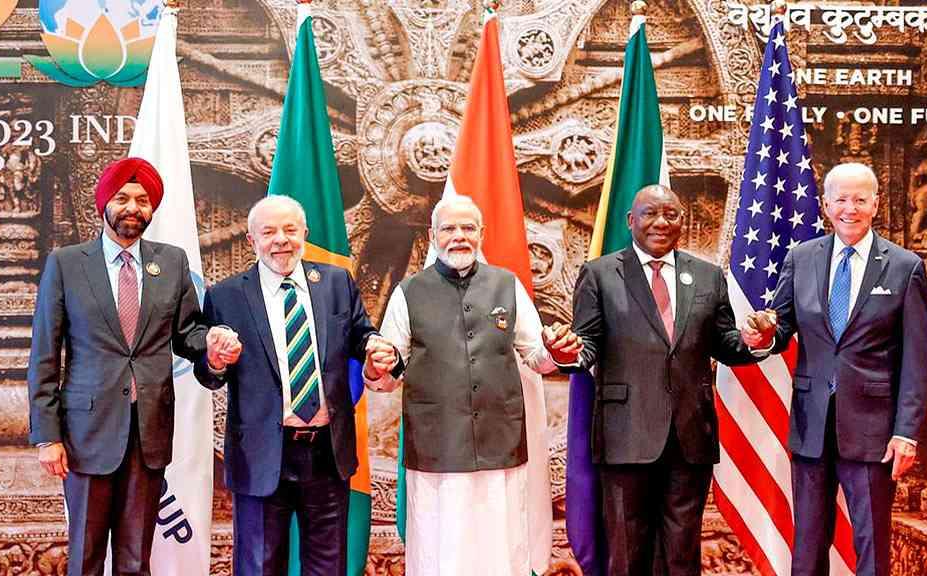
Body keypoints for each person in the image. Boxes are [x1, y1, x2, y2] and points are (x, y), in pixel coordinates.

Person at [27, 157, 239, 576]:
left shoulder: (172, 262)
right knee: (85, 557)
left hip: (148, 433)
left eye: (143, 200)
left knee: (135, 559)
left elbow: (188, 334)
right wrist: (47, 436)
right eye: (122, 198)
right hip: (86, 436)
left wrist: (213, 349)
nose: (132, 207)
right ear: (104, 203)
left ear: (152, 208)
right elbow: (45, 354)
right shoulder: (67, 263)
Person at [365, 194, 580, 576]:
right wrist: (375, 368)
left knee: (500, 551)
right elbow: (387, 372)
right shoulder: (409, 292)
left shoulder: (506, 285)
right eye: (449, 228)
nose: (459, 236)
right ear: (433, 234)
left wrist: (556, 351)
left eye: (468, 228)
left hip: (500, 444)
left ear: (482, 233)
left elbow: (538, 357)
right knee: (441, 553)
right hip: (436, 449)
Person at [561, 183, 764, 576]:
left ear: (682, 221)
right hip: (626, 435)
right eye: (650, 213)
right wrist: (567, 353)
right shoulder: (600, 274)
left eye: (670, 214)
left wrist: (756, 341)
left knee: (682, 555)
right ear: (630, 220)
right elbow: (586, 345)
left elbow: (725, 344)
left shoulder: (707, 276)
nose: (660, 222)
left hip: (690, 436)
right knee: (627, 555)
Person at [193, 195, 397, 575]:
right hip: (260, 454)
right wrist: (216, 361)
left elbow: (361, 335)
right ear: (252, 240)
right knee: (259, 566)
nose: (280, 240)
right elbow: (207, 374)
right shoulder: (225, 296)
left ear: (305, 233)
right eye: (269, 232)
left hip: (327, 453)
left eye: (290, 230)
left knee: (328, 566)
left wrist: (375, 350)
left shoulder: (336, 282)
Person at [748, 162, 927, 576]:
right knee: (808, 545)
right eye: (842, 199)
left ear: (875, 205)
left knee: (871, 545)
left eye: (860, 199)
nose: (851, 209)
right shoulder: (801, 258)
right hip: (812, 425)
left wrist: (906, 432)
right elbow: (780, 326)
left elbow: (916, 359)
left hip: (874, 430)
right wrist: (762, 336)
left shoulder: (904, 267)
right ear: (826, 205)